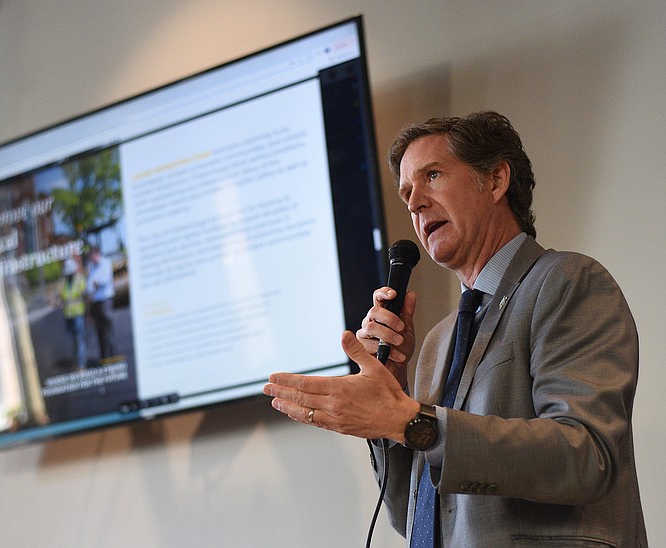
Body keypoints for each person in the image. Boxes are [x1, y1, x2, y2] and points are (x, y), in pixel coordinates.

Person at [263, 112, 647, 546]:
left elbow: (586, 457)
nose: (415, 203)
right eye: (407, 192)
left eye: (433, 176)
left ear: (496, 181)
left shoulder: (566, 281)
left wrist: (410, 420)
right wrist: (389, 400)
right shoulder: (437, 342)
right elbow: (413, 514)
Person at [86, 246, 116, 360]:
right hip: (95, 302)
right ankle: (104, 358)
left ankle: (113, 357)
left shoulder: (106, 263)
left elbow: (106, 280)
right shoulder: (91, 266)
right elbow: (89, 285)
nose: (91, 258)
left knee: (108, 331)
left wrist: (96, 283)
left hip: (105, 300)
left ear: (97, 254)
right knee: (99, 332)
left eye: (92, 256)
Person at [60, 257, 87, 370]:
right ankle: (76, 362)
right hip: (68, 315)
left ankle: (81, 365)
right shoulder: (65, 282)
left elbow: (84, 295)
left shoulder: (79, 279)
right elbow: (63, 296)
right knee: (73, 340)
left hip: (78, 314)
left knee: (79, 339)